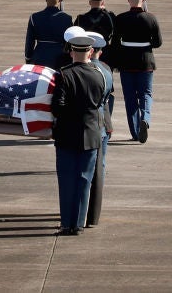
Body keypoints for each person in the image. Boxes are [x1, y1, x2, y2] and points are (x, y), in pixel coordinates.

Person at [50, 33, 107, 236]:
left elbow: (58, 107)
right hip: (91, 133)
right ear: (90, 52)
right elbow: (100, 102)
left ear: (71, 52)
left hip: (67, 133)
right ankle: (79, 223)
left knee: (67, 180)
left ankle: (67, 223)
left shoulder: (64, 74)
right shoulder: (99, 74)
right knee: (84, 179)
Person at [109, 0, 162, 143]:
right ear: (143, 0)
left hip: (126, 62)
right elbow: (158, 42)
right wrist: (146, 43)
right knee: (146, 94)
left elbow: (115, 43)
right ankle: (145, 117)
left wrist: (116, 61)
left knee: (130, 97)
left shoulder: (121, 18)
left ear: (128, 0)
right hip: (145, 61)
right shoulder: (151, 18)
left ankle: (135, 132)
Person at [83, 31, 114, 228]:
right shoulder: (106, 70)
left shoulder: (79, 70)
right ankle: (93, 214)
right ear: (99, 52)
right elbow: (108, 100)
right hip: (102, 123)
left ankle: (79, 209)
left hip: (85, 124)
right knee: (99, 168)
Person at [24, 0, 73, 68]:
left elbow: (30, 42)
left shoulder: (34, 17)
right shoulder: (67, 19)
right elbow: (69, 42)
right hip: (60, 60)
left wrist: (28, 59)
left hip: (39, 58)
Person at [74, 0, 116, 65]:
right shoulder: (110, 17)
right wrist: (105, 11)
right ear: (103, 3)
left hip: (86, 52)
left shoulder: (81, 18)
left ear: (89, 2)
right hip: (105, 51)